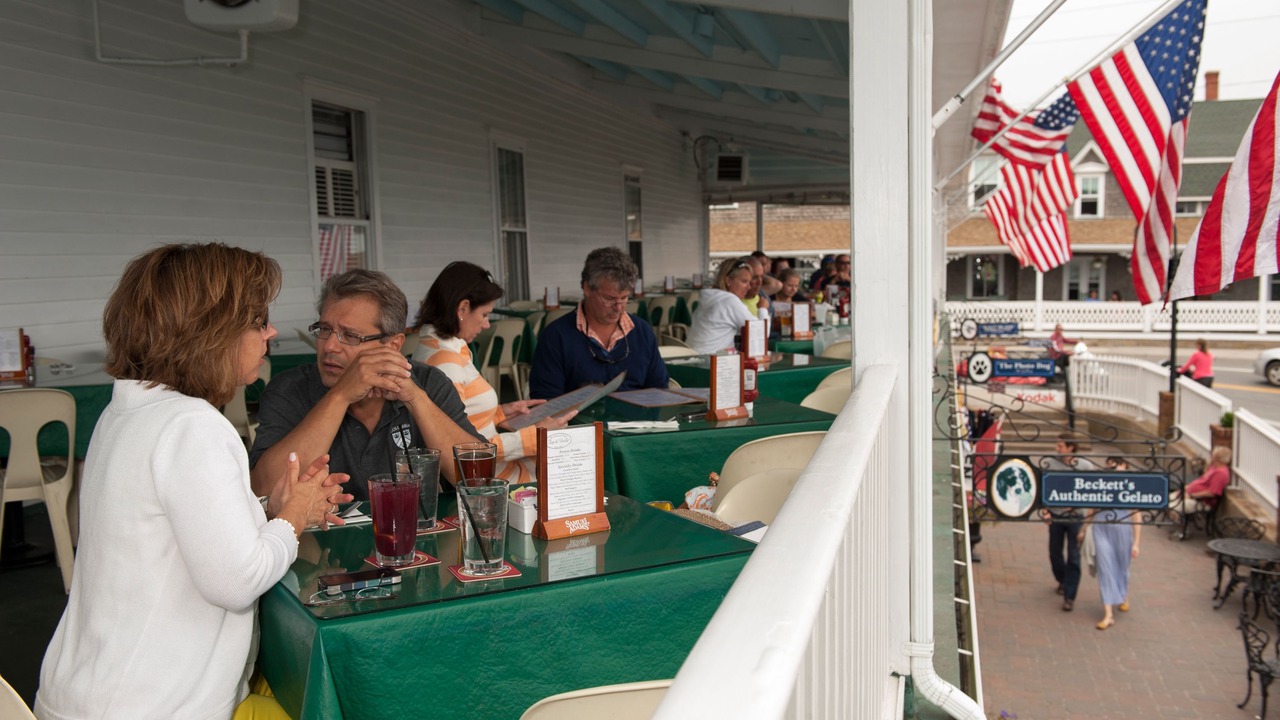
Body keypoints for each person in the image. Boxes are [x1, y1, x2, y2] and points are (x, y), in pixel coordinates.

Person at [36, 243, 351, 720]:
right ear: (211, 331)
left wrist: (268, 509)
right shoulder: (193, 425)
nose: (269, 333)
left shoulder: (123, 414)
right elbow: (236, 580)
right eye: (257, 320)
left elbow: (178, 536)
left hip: (82, 695)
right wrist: (293, 517)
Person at [250, 269, 483, 501]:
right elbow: (262, 489)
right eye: (324, 330)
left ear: (392, 346)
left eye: (350, 336)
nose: (329, 346)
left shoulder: (429, 383)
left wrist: (416, 400)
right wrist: (339, 397)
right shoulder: (290, 389)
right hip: (323, 537)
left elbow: (478, 479)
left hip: (413, 534)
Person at [410, 262, 574, 484]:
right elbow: (460, 448)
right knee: (573, 468)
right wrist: (533, 436)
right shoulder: (446, 362)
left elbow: (459, 415)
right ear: (462, 309)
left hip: (491, 466)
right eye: (485, 315)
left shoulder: (439, 346)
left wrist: (499, 413)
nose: (487, 324)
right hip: (490, 478)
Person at [528, 246, 668, 399]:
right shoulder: (556, 337)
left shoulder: (642, 332)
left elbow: (659, 389)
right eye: (609, 299)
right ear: (587, 288)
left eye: (624, 298)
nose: (619, 308)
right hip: (580, 422)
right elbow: (545, 400)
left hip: (638, 421)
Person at [1081, 458, 1141, 630]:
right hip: (1101, 528)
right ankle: (1108, 614)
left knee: (1122, 567)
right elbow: (1091, 509)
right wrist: (1084, 529)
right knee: (1105, 568)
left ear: (1126, 467)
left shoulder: (1130, 487)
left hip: (1122, 530)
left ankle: (1123, 594)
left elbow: (1136, 516)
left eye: (1118, 465)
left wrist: (1136, 543)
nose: (1113, 468)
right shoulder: (1100, 485)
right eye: (1110, 465)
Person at [1041, 432, 1098, 612]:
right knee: (1054, 553)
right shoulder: (1050, 463)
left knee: (1074, 556)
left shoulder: (1085, 466)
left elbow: (1091, 492)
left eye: (1061, 445)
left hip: (1076, 518)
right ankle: (1062, 580)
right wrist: (1045, 511)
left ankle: (1069, 596)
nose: (1057, 449)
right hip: (1056, 516)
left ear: (1070, 447)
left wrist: (1087, 521)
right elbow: (1043, 488)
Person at [686, 256, 758, 354]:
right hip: (712, 362)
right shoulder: (729, 301)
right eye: (744, 282)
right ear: (728, 281)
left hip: (694, 357)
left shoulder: (709, 298)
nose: (749, 287)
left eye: (749, 282)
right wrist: (763, 309)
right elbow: (759, 331)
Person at [1173, 445, 1232, 519]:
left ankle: (1179, 525)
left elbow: (1211, 493)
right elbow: (1201, 482)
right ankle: (1177, 522)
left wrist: (1191, 495)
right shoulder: (1214, 467)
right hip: (1189, 495)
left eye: (1212, 455)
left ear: (1216, 458)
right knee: (1164, 500)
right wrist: (1185, 489)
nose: (1211, 457)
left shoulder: (1221, 473)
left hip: (1201, 502)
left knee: (1172, 507)